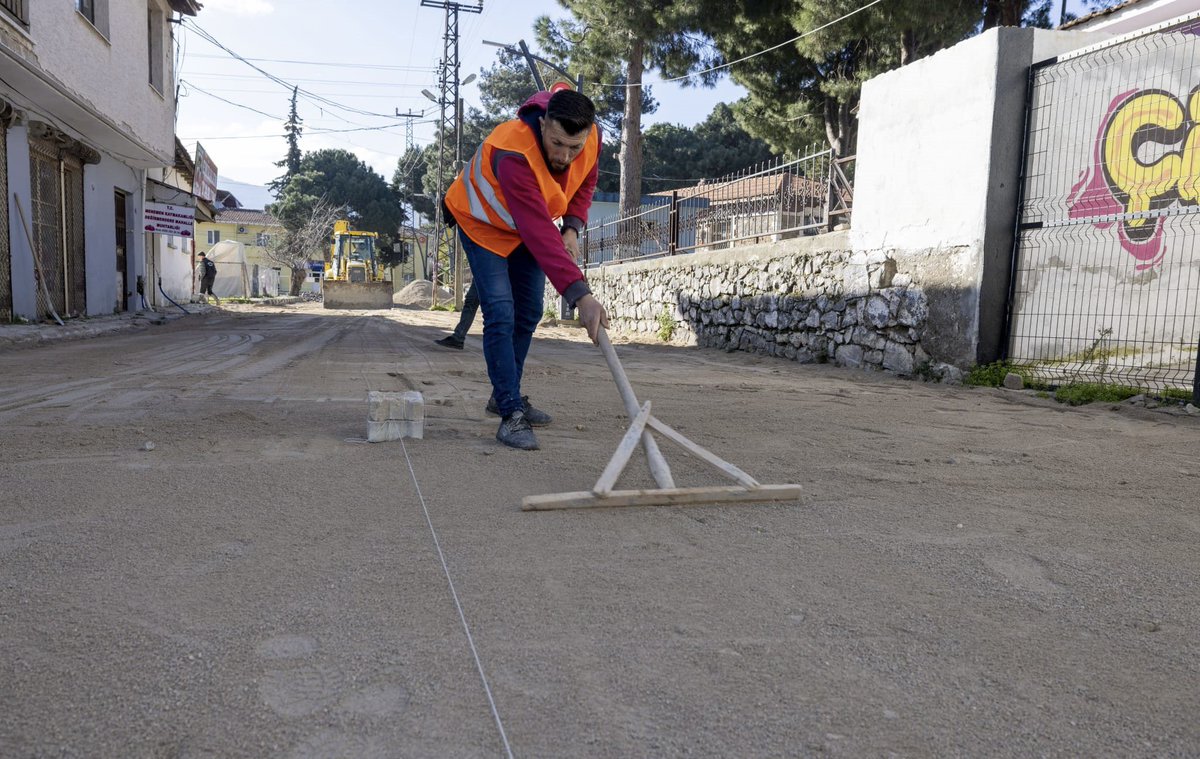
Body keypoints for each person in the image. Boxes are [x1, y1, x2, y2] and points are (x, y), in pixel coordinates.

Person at [443, 87, 608, 451]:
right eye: (557, 143)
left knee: (530, 310)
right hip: (481, 222)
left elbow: (585, 183)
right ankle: (510, 413)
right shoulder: (513, 153)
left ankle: (504, 393)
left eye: (574, 147)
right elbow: (537, 232)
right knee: (501, 311)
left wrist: (571, 227)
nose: (564, 155)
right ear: (543, 123)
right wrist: (581, 296)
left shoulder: (591, 138)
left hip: (523, 224)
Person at [433, 281, 479, 350]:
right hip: (481, 275)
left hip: (488, 275)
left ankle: (458, 337)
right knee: (471, 302)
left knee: (488, 304)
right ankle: (458, 337)